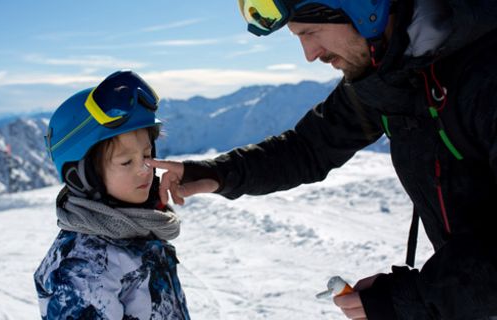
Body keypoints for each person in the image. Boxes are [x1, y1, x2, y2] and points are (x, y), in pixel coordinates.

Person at [146, 0, 497, 319]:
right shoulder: (395, 73)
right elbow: (309, 148)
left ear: (365, 9)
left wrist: (412, 299)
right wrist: (214, 173)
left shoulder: (484, 76)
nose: (309, 54)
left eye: (310, 32)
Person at [33, 70, 190, 320]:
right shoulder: (83, 269)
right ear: (80, 177)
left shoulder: (137, 232)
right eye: (126, 162)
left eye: (147, 156)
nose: (144, 169)